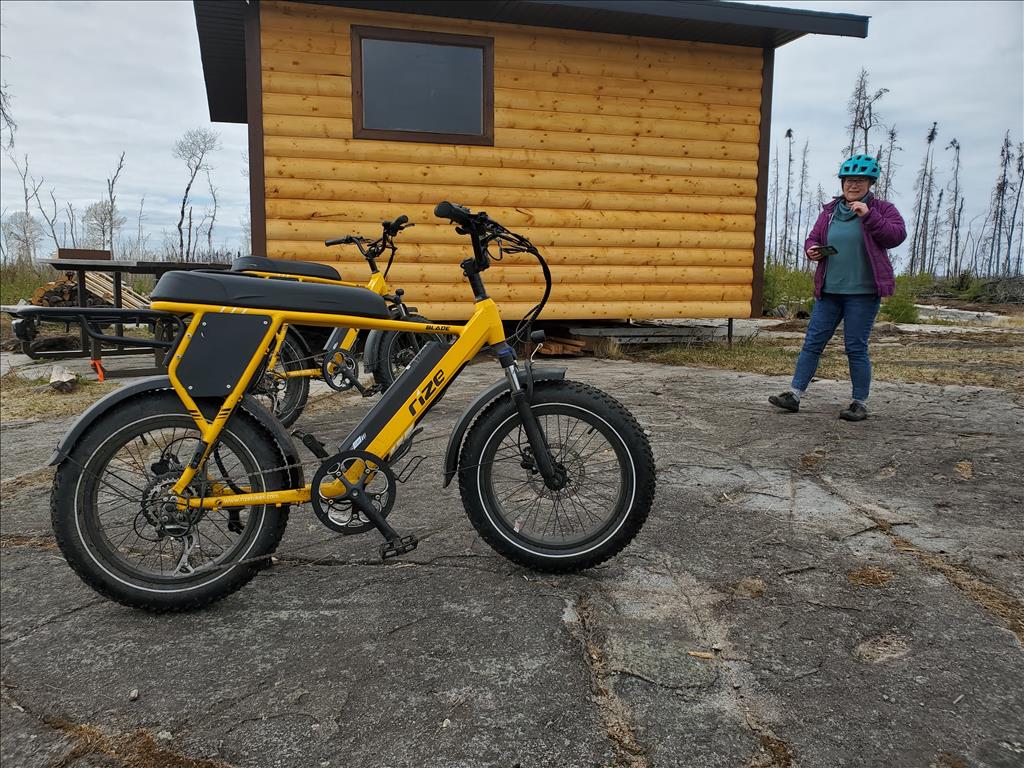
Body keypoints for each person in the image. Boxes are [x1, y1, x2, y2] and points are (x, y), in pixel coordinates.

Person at [769, 154, 907, 421]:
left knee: (855, 346)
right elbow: (813, 237)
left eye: (860, 180)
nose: (853, 185)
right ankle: (794, 395)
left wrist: (869, 216)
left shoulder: (883, 209)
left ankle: (859, 403)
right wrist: (811, 250)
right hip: (830, 291)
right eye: (848, 180)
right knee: (812, 343)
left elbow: (895, 236)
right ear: (842, 182)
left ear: (870, 183)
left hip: (863, 293)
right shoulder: (830, 211)